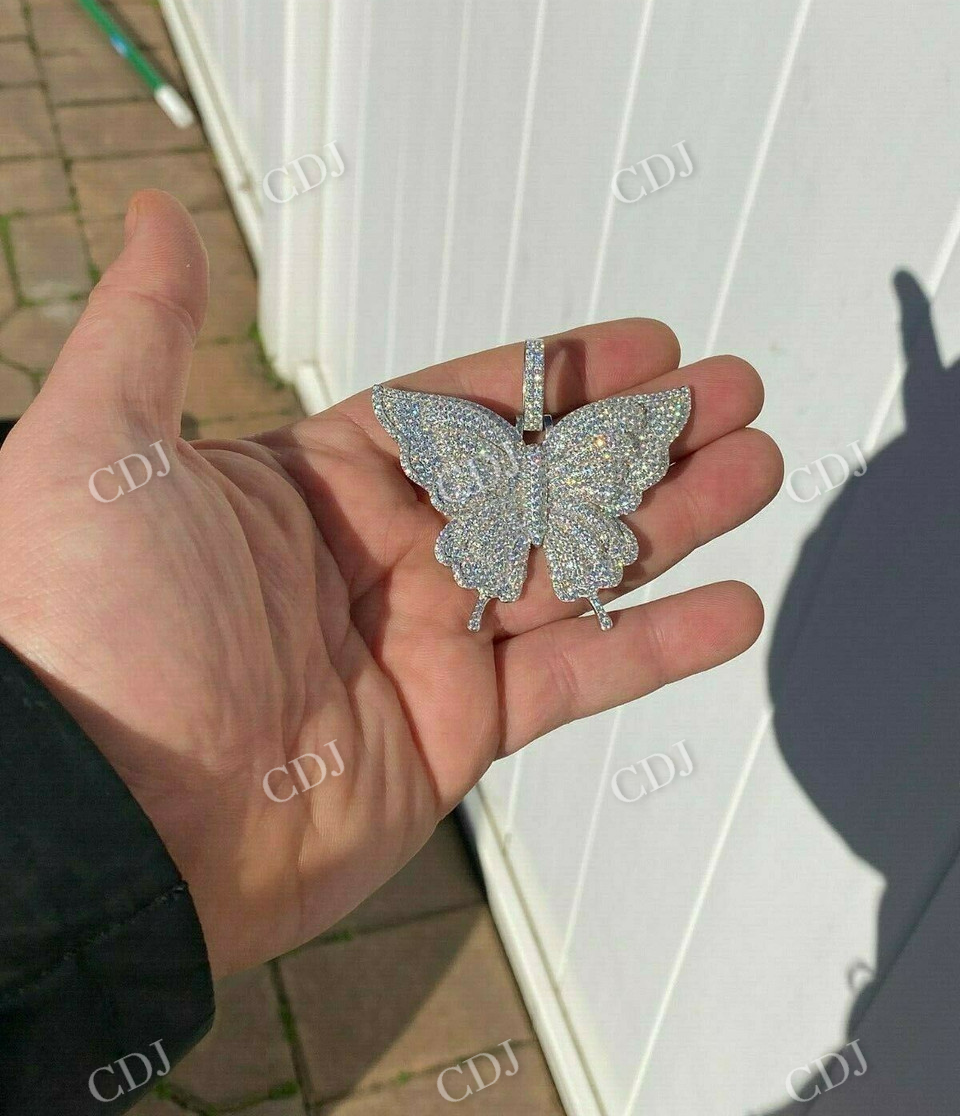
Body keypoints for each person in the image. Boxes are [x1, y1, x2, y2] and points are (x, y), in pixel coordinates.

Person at [0, 192, 782, 1112]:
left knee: (557, 581)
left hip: (502, 527)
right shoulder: (507, 441)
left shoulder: (486, 444)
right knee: (575, 585)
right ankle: (583, 582)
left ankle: (576, 582)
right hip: (547, 513)